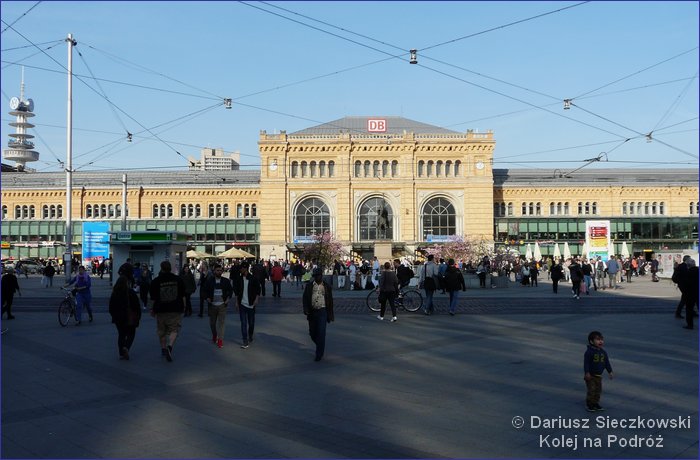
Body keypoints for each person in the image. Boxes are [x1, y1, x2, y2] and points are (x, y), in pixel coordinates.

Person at [149, 260, 186, 362]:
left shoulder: (156, 281)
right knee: (174, 329)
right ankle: (170, 346)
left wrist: (152, 309)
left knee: (162, 331)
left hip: (161, 309)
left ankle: (163, 349)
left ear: (161, 268)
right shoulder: (178, 280)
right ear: (171, 268)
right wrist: (184, 306)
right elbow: (183, 295)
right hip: (175, 309)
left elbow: (153, 298)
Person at [302, 267, 335, 361]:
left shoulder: (327, 286)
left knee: (321, 332)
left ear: (321, 276)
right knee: (312, 333)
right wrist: (305, 309)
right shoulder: (309, 286)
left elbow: (330, 301)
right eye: (315, 276)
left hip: (322, 311)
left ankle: (319, 353)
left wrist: (330, 313)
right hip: (312, 311)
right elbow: (305, 298)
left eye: (319, 276)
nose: (317, 278)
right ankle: (320, 344)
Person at [109, 274, 142, 360]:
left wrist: (114, 316)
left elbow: (111, 307)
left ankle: (121, 353)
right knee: (131, 333)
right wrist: (138, 316)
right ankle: (126, 347)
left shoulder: (115, 293)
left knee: (121, 334)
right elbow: (137, 306)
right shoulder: (131, 292)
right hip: (129, 317)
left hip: (118, 318)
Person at [203, 264, 234, 348]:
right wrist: (207, 298)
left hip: (222, 305)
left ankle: (220, 340)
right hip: (212, 305)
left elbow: (230, 291)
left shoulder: (226, 281)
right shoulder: (210, 280)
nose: (219, 272)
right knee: (212, 323)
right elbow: (204, 291)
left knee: (221, 323)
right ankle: (214, 335)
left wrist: (228, 299)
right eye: (217, 270)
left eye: (220, 270)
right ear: (214, 271)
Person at [233, 262, 261, 349]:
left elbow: (258, 290)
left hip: (251, 304)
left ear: (245, 268)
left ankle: (250, 335)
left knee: (251, 323)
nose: (240, 270)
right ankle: (245, 341)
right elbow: (237, 292)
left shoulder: (253, 278)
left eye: (241, 268)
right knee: (243, 323)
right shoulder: (239, 279)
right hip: (242, 304)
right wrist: (237, 302)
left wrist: (256, 299)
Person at [584, 330, 614, 412]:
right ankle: (590, 404)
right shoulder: (589, 352)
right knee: (592, 390)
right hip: (590, 375)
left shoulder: (603, 352)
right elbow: (586, 363)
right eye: (597, 339)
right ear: (591, 341)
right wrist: (587, 372)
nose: (600, 341)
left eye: (601, 339)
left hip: (598, 376)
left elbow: (606, 362)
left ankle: (595, 403)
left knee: (598, 390)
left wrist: (610, 371)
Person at [681, 258, 699, 330]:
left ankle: (690, 325)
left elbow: (686, 284)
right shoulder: (698, 270)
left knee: (689, 309)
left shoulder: (688, 273)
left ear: (688, 265)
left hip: (690, 294)